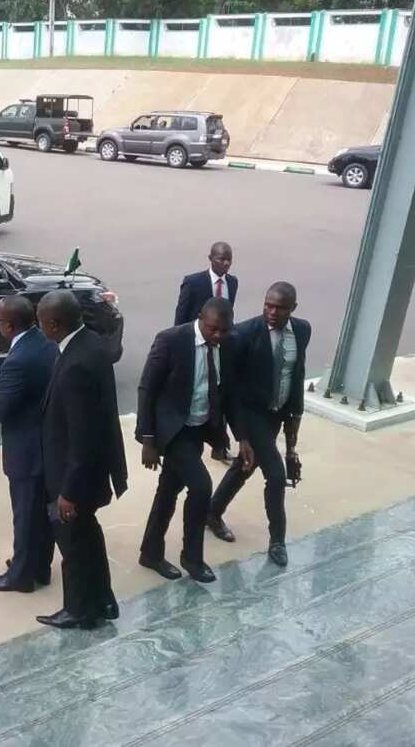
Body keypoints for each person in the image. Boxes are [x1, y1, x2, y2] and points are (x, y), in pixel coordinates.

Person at [136, 298, 254, 583]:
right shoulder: (171, 340)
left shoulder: (226, 343)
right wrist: (149, 440)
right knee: (202, 487)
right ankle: (192, 557)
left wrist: (243, 438)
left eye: (223, 331)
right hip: (174, 431)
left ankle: (150, 552)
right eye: (213, 329)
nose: (218, 336)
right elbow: (147, 389)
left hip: (199, 429)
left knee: (168, 491)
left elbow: (230, 395)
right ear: (200, 318)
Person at [36, 290, 128, 630]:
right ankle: (103, 599)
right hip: (90, 471)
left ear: (54, 324)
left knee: (74, 545)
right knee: (89, 536)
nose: (39, 327)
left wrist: (68, 492)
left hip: (74, 477)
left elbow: (82, 436)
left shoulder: (75, 364)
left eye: (41, 322)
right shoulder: (90, 343)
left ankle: (79, 610)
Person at [207, 282, 311, 567]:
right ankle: (277, 540)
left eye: (279, 307)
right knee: (275, 476)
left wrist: (292, 444)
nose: (272, 312)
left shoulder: (302, 331)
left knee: (245, 465)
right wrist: (240, 435)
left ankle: (212, 511)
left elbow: (296, 378)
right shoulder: (242, 335)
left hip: (276, 413)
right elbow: (231, 391)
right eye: (268, 305)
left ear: (293, 308)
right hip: (250, 415)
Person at [0, 296, 58, 593]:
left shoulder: (19, 358)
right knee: (41, 514)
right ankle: (40, 567)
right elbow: (15, 384)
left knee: (25, 514)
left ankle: (21, 576)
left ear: (8, 326)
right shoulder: (43, 342)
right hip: (46, 444)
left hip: (26, 449)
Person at [174, 241, 239, 462]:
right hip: (196, 346)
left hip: (220, 347)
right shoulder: (194, 282)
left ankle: (219, 443)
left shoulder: (232, 283)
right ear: (210, 258)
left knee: (219, 390)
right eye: (221, 258)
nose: (226, 263)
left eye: (229, 259)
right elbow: (180, 317)